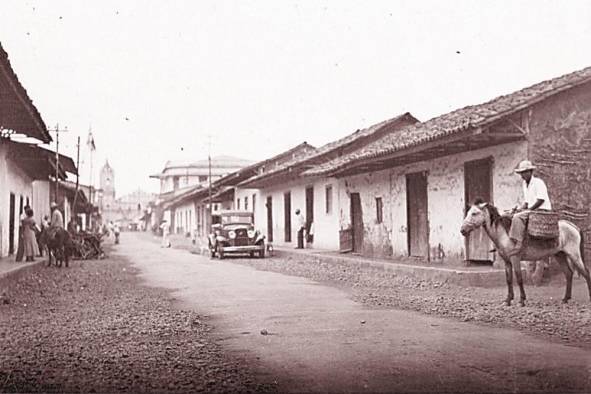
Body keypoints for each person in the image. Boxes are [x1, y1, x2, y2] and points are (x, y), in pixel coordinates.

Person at [507, 160, 552, 256]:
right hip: (532, 210)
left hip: (542, 209)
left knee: (517, 218)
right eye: (521, 173)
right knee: (511, 215)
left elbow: (541, 200)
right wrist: (519, 209)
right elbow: (527, 202)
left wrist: (529, 210)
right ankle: (514, 240)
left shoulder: (538, 182)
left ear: (530, 172)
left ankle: (518, 244)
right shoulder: (524, 184)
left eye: (524, 172)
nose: (522, 175)